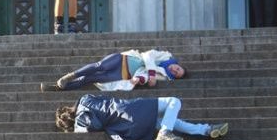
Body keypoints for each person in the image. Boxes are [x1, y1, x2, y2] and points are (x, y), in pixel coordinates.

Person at [55, 95, 229, 140]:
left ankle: (205, 129)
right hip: (129, 108)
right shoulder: (86, 99)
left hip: (127, 128)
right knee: (173, 102)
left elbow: (98, 126)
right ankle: (165, 133)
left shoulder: (81, 125)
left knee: (164, 121)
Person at [42, 49, 185, 92]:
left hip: (122, 75)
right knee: (99, 66)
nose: (174, 70)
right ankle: (70, 76)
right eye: (178, 68)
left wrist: (141, 80)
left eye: (176, 73)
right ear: (176, 64)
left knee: (91, 78)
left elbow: (145, 76)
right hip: (124, 59)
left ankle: (56, 88)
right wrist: (152, 73)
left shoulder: (164, 76)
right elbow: (148, 55)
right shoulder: (166, 57)